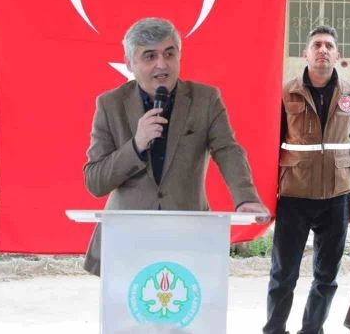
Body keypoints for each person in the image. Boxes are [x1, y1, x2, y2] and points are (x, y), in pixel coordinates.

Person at [82, 17, 269, 276]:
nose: (162, 64)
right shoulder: (110, 104)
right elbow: (95, 182)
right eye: (150, 56)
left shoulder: (205, 99)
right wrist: (136, 145)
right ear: (130, 64)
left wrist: (245, 198)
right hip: (126, 240)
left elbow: (228, 150)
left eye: (169, 54)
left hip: (188, 237)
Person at [264, 25, 350, 334]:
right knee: (283, 274)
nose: (323, 50)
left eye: (328, 46)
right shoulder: (286, 93)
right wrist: (267, 194)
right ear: (305, 54)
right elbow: (270, 144)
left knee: (326, 277)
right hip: (294, 196)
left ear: (337, 55)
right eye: (317, 45)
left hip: (336, 198)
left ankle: (312, 330)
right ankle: (274, 330)